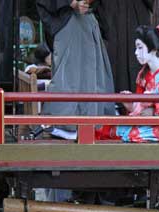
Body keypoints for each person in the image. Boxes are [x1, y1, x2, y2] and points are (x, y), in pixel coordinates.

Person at [95, 25, 159, 142]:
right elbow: (139, 108)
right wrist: (130, 104)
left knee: (128, 135)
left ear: (154, 50)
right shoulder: (143, 75)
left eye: (140, 47)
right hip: (143, 123)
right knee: (105, 129)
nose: (136, 52)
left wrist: (156, 112)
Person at [36, 0, 115, 139]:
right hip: (67, 20)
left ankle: (91, 122)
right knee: (69, 74)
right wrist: (71, 2)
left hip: (87, 18)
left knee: (92, 73)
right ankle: (63, 124)